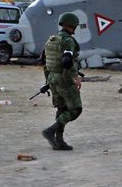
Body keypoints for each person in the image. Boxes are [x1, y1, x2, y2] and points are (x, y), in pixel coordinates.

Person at [41, 12, 83, 150]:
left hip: (52, 77)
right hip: (64, 78)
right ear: (72, 26)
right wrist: (75, 76)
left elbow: (45, 61)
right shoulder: (68, 40)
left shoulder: (52, 39)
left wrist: (48, 80)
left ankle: (59, 141)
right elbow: (66, 61)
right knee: (76, 109)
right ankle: (51, 131)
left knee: (62, 108)